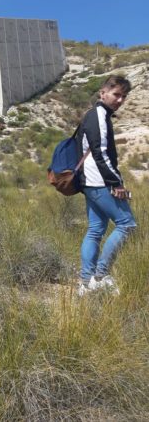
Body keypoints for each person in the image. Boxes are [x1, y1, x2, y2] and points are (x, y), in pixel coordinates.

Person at [77, 75, 136, 296]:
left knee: (95, 230)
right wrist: (116, 183)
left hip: (89, 181)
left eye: (124, 96)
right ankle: (100, 276)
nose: (120, 100)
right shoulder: (99, 115)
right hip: (99, 181)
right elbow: (100, 153)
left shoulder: (96, 115)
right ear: (103, 93)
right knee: (127, 224)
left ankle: (85, 283)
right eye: (116, 94)